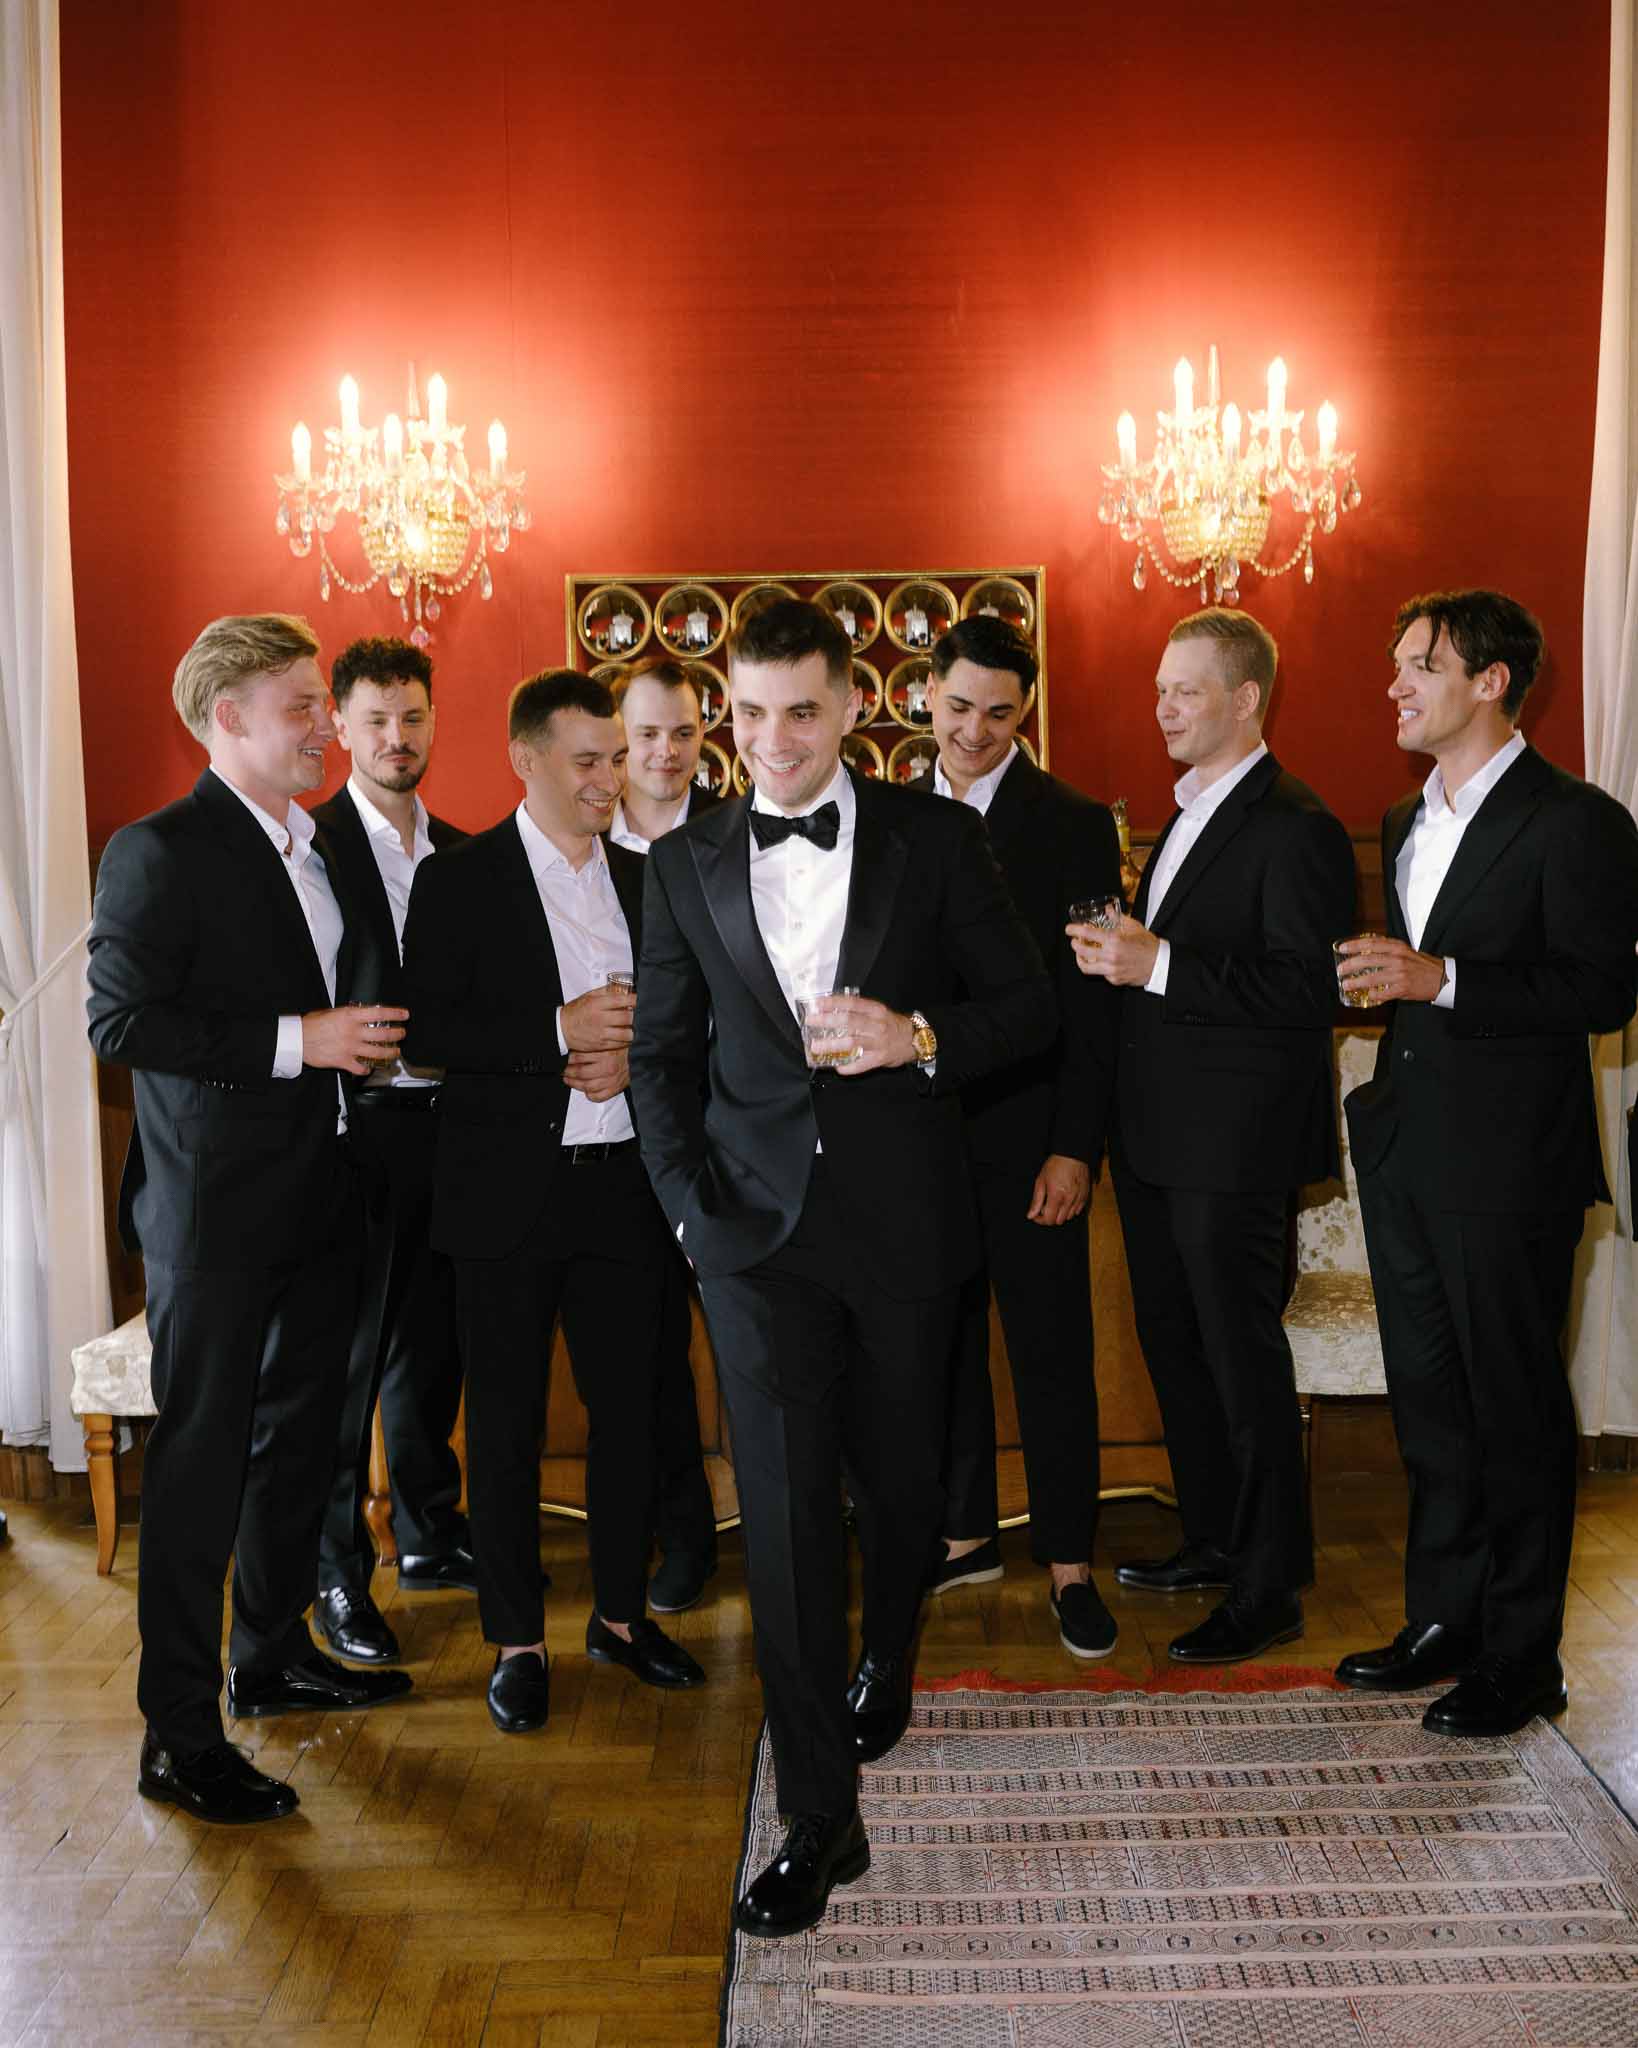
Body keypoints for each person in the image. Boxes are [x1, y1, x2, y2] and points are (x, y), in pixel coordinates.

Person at [630, 598, 1053, 1939]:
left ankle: (890, 1654)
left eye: (797, 713)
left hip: (906, 1232)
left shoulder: (939, 837)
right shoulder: (682, 857)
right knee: (791, 1513)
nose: (769, 744)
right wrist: (691, 1218)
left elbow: (1029, 1007)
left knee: (900, 1483)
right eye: (744, 715)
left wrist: (915, 1035)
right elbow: (657, 1059)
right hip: (751, 1245)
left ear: (851, 703)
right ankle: (819, 1816)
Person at [87, 614, 413, 1828]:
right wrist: (300, 1044)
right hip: (214, 1216)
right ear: (226, 717)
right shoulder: (157, 850)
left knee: (307, 1445)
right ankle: (177, 1734)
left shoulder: (325, 845)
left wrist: (367, 1049)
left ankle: (265, 1656)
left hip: (327, 1193)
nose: (328, 723)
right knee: (201, 1466)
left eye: (323, 701)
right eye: (301, 704)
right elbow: (120, 1023)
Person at [1335, 590, 1638, 1736]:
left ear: (1491, 681)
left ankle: (1525, 1658)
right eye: (1398, 663)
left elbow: (1605, 989)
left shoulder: (1577, 820)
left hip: (1514, 1165)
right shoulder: (1406, 819)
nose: (1397, 684)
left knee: (1513, 1411)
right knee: (1432, 1406)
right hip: (1411, 1151)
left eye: (1421, 664)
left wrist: (1442, 977)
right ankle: (1444, 1621)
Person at [401, 669, 705, 1739]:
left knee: (633, 1417)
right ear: (525, 759)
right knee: (509, 1426)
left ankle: (621, 1617)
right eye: (587, 760)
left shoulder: (653, 874)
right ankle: (516, 1639)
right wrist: (556, 1035)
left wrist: (638, 1061)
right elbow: (428, 1030)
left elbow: (682, 1022)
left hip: (628, 1187)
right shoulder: (458, 879)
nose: (609, 779)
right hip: (504, 1197)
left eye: (618, 757)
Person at [1071, 607, 1355, 1664]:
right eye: (1160, 689)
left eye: (1186, 690)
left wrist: (1158, 964)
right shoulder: (1185, 813)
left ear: (1247, 699)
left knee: (1241, 1364)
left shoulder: (1297, 822)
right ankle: (1216, 1537)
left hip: (1234, 1150)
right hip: (1155, 1139)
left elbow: (1310, 984)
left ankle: (1270, 1583)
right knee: (1178, 1352)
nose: (1163, 708)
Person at [922, 615, 1121, 1659]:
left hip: (1035, 1133)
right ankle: (961, 1534)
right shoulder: (893, 815)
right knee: (937, 1347)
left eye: (1000, 713)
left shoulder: (1076, 824)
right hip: (919, 1138)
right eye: (960, 707)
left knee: (1051, 1351)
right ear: (929, 695)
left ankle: (1071, 1563)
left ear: (1025, 712)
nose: (976, 731)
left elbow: (1094, 1012)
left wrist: (1075, 1146)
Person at [309, 637, 470, 1667]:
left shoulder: (463, 851)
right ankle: (332, 1573)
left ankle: (427, 1532)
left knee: (432, 1346)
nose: (396, 737)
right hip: (349, 1134)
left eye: (411, 717)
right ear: (340, 726)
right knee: (345, 1365)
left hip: (452, 1133)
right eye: (375, 720)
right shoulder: (306, 847)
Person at [605, 656, 721, 1614]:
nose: (666, 753)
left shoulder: (735, 837)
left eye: (682, 734)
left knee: (766, 1346)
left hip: (732, 1136)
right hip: (615, 1144)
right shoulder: (575, 845)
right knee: (649, 1360)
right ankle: (681, 1541)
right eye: (647, 734)